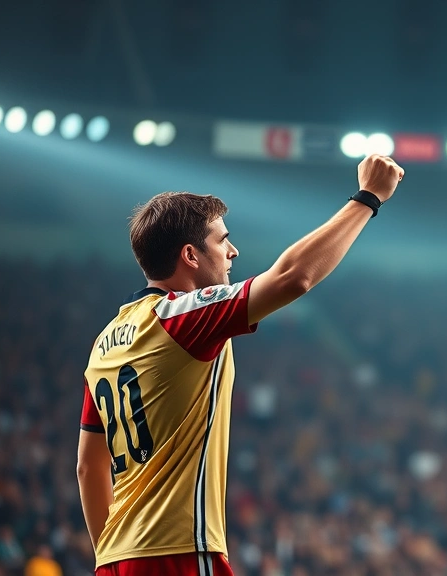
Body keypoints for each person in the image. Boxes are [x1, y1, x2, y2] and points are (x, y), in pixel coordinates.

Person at [76, 155, 405, 576]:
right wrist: (368, 198)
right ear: (191, 256)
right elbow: (292, 277)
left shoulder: (103, 344)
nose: (233, 251)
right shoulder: (182, 316)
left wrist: (111, 554)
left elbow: (89, 467)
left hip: (116, 560)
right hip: (181, 552)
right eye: (222, 240)